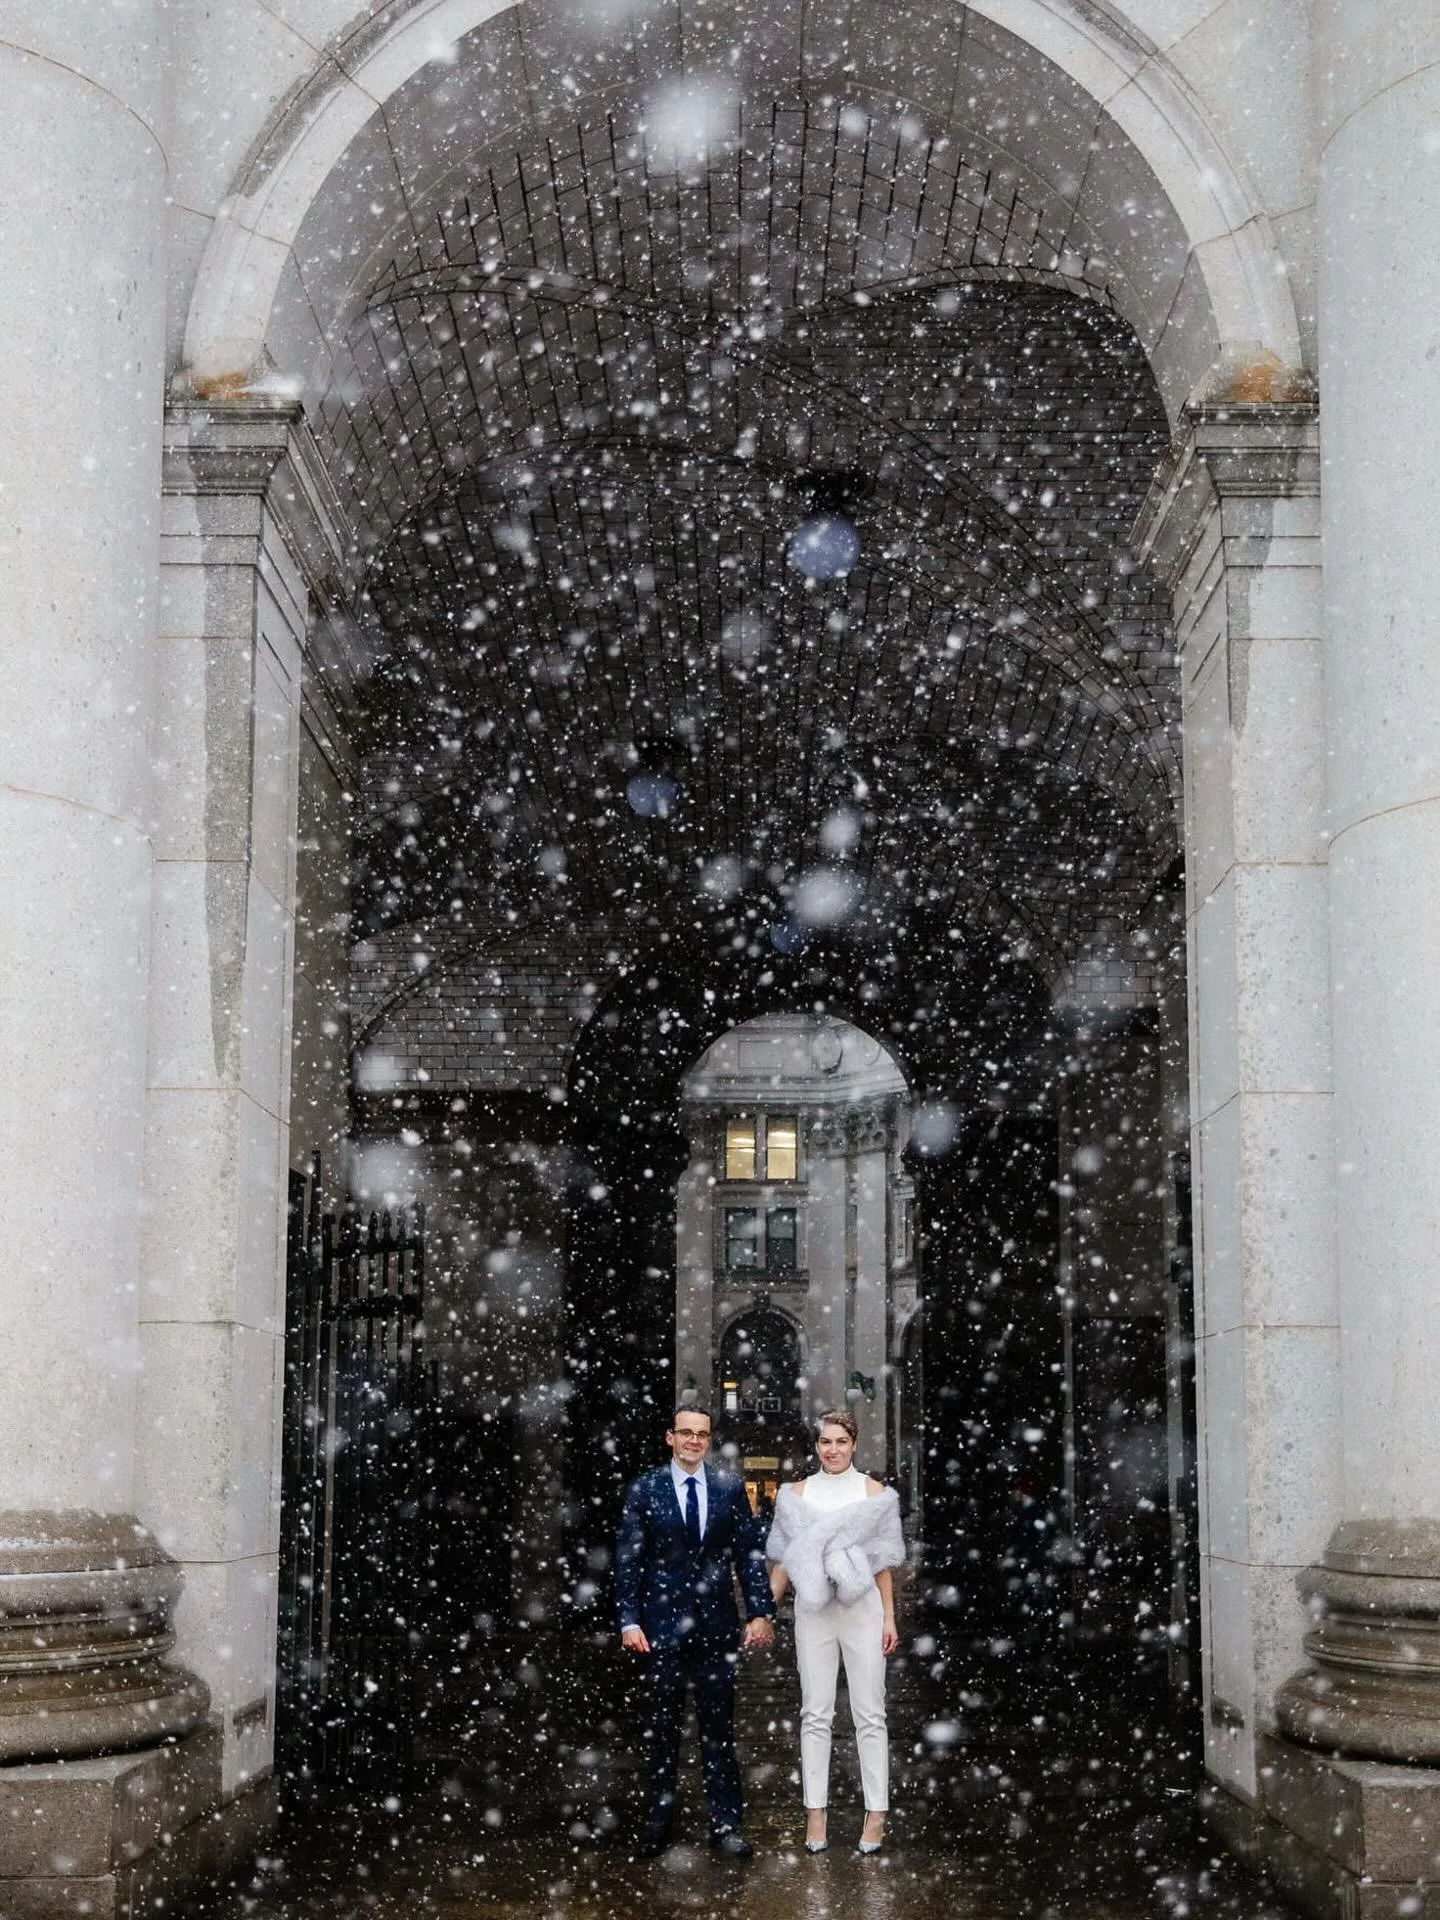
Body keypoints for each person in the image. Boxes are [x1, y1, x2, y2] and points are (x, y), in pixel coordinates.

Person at [615, 1406, 776, 1858]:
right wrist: (629, 1619)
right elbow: (629, 1558)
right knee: (661, 1731)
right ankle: (658, 1822)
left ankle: (726, 1826)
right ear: (670, 1437)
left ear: (709, 1439)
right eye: (685, 1433)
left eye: (701, 1434)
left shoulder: (727, 1487)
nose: (693, 1440)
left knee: (718, 1731)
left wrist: (760, 1612)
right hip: (660, 1628)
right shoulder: (645, 1488)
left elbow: (748, 1555)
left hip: (716, 1628)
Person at [765, 1409, 905, 1855]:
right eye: (825, 1442)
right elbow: (783, 1563)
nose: (832, 1449)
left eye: (840, 1442)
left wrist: (889, 1617)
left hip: (862, 1610)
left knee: (870, 1713)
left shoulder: (875, 1494)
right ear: (818, 1445)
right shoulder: (795, 1495)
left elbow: (882, 1562)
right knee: (815, 1713)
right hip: (813, 1610)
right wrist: (762, 1612)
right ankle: (815, 1811)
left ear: (854, 1444)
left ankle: (877, 1812)